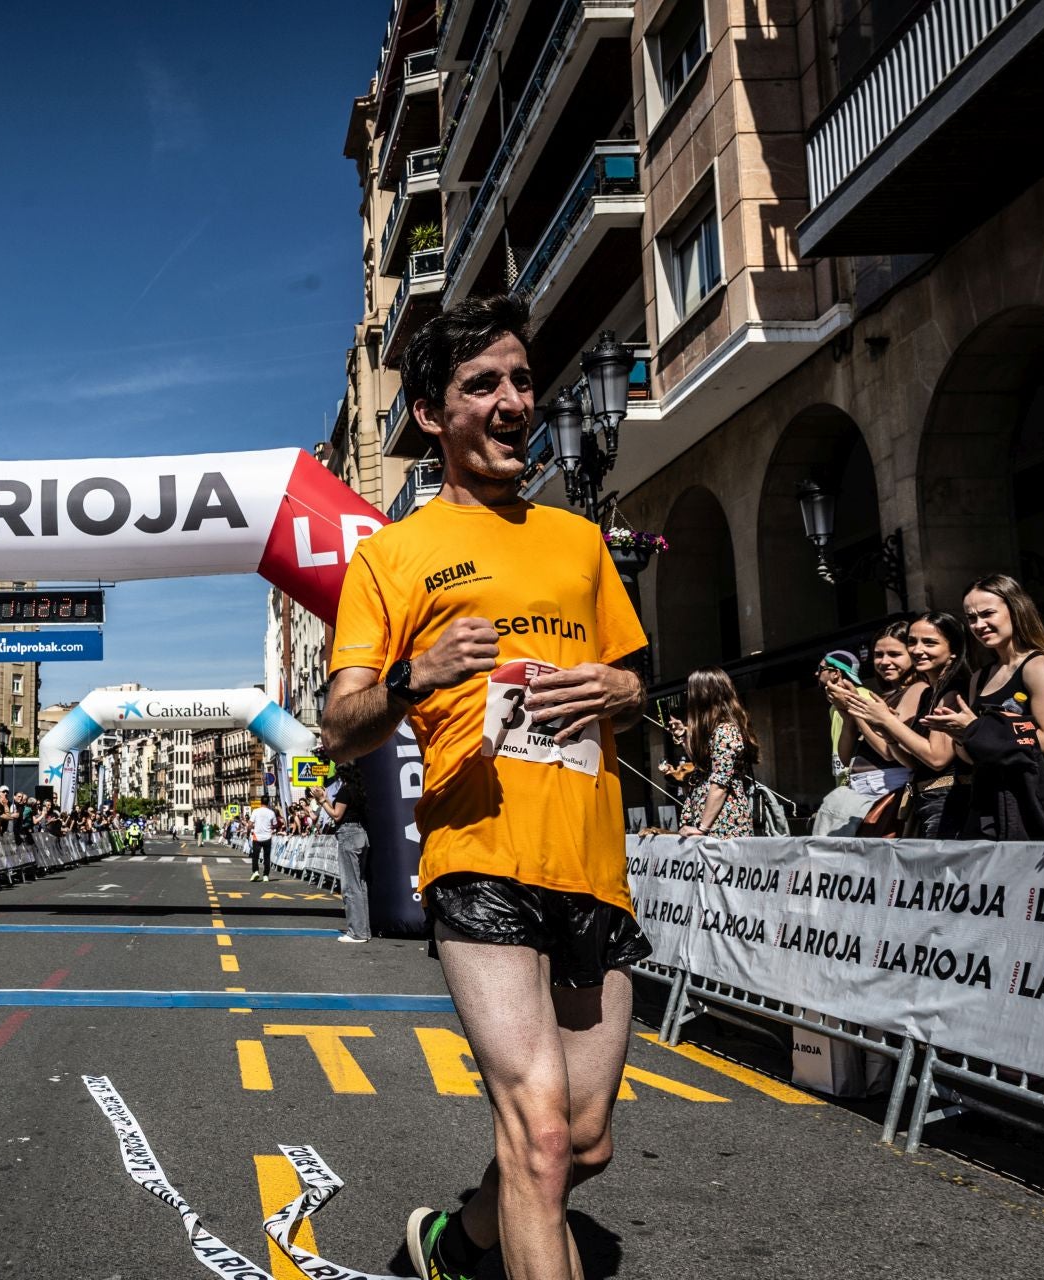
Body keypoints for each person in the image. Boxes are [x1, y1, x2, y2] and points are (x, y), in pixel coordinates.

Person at [320, 293, 648, 1280]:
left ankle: (456, 1242)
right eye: (483, 384)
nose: (514, 400)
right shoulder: (391, 555)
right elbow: (342, 725)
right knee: (538, 1136)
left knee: (583, 1141)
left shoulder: (579, 542)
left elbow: (634, 684)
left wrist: (614, 686)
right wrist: (417, 674)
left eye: (520, 380)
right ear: (432, 413)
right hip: (478, 859)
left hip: (590, 862)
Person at [920, 574, 1044, 839]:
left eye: (987, 614)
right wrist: (960, 735)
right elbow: (972, 755)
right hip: (989, 811)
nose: (978, 625)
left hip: (1038, 812)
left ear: (1016, 610)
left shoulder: (1040, 666)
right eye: (971, 617)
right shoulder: (980, 677)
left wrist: (976, 729)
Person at [833, 612, 971, 838]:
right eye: (912, 642)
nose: (917, 650)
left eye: (929, 642)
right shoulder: (932, 693)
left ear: (954, 650)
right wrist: (887, 732)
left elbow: (937, 758)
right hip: (925, 799)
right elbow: (911, 761)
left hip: (947, 800)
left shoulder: (950, 691)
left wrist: (881, 719)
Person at [813, 623, 916, 836]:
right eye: (878, 655)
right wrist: (847, 712)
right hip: (863, 796)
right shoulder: (885, 695)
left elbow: (889, 752)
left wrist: (853, 706)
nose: (885, 662)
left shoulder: (915, 691)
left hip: (888, 793)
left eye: (895, 654)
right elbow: (844, 756)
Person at [673, 668, 758, 838]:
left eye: (692, 690)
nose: (688, 696)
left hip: (722, 824)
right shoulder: (716, 730)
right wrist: (684, 737)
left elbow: (720, 784)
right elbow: (703, 765)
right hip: (711, 821)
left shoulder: (725, 731)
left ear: (703, 694)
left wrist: (702, 828)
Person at [312, 764, 370, 943]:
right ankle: (363, 930)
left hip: (348, 835)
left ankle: (356, 932)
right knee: (360, 885)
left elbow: (337, 815)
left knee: (350, 886)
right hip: (361, 834)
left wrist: (322, 801)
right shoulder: (359, 791)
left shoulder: (345, 791)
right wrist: (327, 799)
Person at [247, 796, 278, 881]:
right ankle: (266, 875)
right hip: (267, 836)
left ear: (261, 802)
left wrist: (248, 832)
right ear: (268, 802)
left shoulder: (255, 811)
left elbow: (250, 824)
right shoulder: (271, 813)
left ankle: (255, 872)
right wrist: (271, 827)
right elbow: (275, 824)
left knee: (255, 856)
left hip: (257, 837)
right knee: (266, 857)